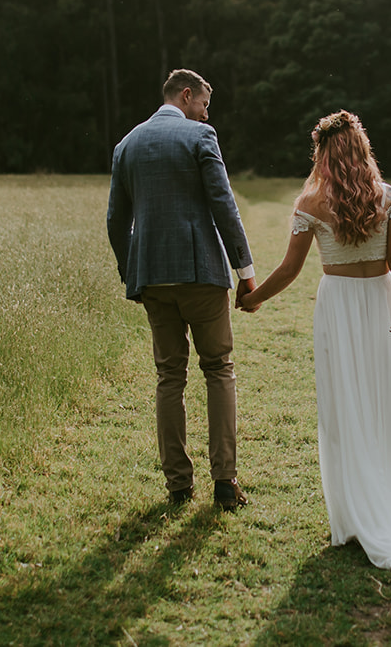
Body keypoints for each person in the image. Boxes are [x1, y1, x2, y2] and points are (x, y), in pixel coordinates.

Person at [238, 110, 391, 599]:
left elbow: (289, 269)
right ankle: (387, 500)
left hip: (340, 307)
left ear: (323, 154)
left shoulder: (311, 201)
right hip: (384, 304)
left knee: (346, 406)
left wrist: (253, 297)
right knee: (386, 405)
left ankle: (356, 514)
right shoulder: (385, 197)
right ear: (362, 150)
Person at [107, 69, 258, 510]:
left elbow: (117, 220)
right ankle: (225, 482)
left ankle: (177, 485)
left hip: (152, 277)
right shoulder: (200, 138)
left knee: (169, 376)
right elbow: (223, 205)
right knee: (219, 369)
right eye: (204, 105)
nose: (206, 114)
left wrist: (131, 270)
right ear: (187, 95)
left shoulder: (127, 145)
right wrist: (245, 272)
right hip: (201, 274)